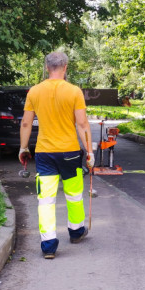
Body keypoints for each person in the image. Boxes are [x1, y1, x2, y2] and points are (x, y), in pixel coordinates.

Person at [19, 51, 94, 259]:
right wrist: (89, 151)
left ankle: (49, 245)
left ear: (46, 67)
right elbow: (82, 124)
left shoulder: (34, 92)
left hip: (44, 153)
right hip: (69, 152)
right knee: (74, 195)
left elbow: (26, 123)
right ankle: (77, 231)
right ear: (65, 67)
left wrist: (23, 148)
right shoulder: (74, 91)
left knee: (46, 200)